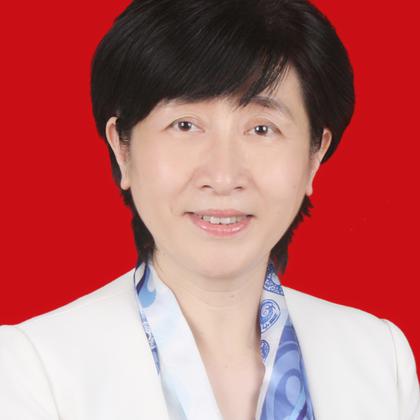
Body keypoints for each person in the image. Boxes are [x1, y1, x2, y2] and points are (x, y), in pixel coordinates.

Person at [1, 0, 419, 419]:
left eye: (262, 128)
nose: (223, 176)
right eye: (185, 125)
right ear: (122, 149)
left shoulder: (380, 360)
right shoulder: (35, 369)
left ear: (314, 155)